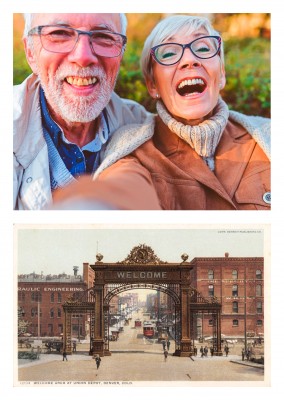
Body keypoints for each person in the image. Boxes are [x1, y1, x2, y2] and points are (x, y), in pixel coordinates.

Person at [92, 14, 271, 210]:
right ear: (152, 85)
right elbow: (123, 191)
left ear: (221, 75)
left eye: (203, 48)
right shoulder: (131, 149)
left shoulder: (268, 135)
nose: (190, 60)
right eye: (168, 54)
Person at [13, 13, 157, 210]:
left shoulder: (143, 128)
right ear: (30, 52)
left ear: (121, 53)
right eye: (59, 34)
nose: (83, 57)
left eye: (103, 37)